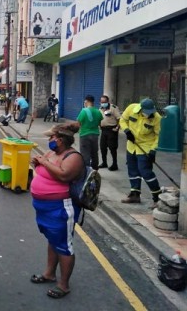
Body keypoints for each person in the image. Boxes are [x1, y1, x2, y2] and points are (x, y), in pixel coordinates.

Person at [30, 123, 85, 299]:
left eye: (51, 138)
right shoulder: (52, 153)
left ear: (60, 140)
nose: (49, 141)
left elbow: (63, 175)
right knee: (53, 239)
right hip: (44, 207)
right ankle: (49, 274)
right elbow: (42, 169)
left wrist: (44, 162)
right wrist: (37, 163)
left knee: (64, 246)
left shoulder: (73, 157)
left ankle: (64, 284)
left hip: (61, 208)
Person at [119, 98, 162, 208]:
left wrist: (153, 150)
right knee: (132, 170)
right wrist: (127, 131)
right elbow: (122, 120)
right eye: (147, 112)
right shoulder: (131, 108)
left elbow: (159, 136)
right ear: (141, 109)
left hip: (146, 147)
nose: (149, 114)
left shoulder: (157, 118)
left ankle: (157, 198)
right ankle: (135, 194)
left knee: (145, 172)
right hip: (132, 146)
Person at [73, 95, 103, 170]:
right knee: (94, 153)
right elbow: (100, 124)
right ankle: (95, 170)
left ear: (86, 101)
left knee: (85, 154)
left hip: (85, 135)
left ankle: (86, 171)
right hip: (95, 134)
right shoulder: (98, 111)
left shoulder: (84, 111)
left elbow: (78, 124)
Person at [98, 95, 122, 171]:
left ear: (108, 101)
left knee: (112, 148)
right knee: (103, 147)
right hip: (104, 130)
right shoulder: (100, 109)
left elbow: (119, 119)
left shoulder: (113, 108)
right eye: (101, 102)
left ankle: (115, 164)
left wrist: (117, 128)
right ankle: (104, 162)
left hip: (112, 130)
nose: (103, 103)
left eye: (104, 102)